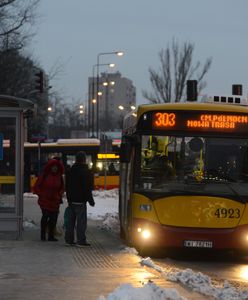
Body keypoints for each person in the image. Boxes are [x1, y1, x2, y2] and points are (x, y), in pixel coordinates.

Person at [65, 151, 95, 247]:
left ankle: (69, 240)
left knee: (70, 222)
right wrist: (91, 200)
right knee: (81, 222)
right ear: (84, 160)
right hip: (81, 201)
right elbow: (87, 188)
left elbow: (67, 186)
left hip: (71, 200)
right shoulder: (86, 172)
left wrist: (69, 199)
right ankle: (81, 240)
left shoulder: (70, 171)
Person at [33, 159, 64, 241]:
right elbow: (36, 187)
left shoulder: (59, 177)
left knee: (53, 218)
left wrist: (59, 194)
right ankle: (43, 235)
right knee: (45, 216)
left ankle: (51, 236)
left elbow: (62, 188)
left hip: (55, 201)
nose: (55, 168)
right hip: (45, 201)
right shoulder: (44, 175)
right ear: (50, 167)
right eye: (53, 167)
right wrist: (42, 195)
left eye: (56, 167)